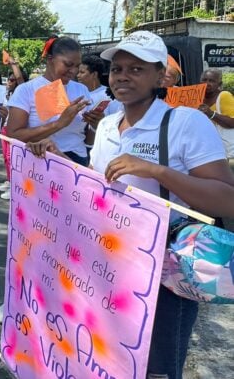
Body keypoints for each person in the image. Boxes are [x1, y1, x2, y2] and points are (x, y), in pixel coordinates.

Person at [28, 31, 234, 379]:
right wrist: (59, 157)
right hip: (109, 264)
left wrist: (157, 171)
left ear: (159, 75)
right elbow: (98, 184)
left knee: (157, 367)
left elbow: (226, 198)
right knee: (110, 360)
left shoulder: (185, 123)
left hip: (164, 272)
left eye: (136, 69)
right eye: (117, 68)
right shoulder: (108, 124)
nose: (122, 76)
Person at [6, 36, 92, 166]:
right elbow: (13, 135)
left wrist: (96, 124)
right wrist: (59, 123)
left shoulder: (81, 90)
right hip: (39, 162)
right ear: (50, 59)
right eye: (68, 65)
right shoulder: (26, 90)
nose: (73, 71)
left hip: (77, 161)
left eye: (77, 66)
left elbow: (87, 135)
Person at [0, 58, 27, 200]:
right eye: (9, 80)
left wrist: (14, 64)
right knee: (7, 159)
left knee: (13, 158)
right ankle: (10, 181)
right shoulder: (7, 93)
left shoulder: (22, 92)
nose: (9, 82)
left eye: (12, 80)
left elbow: (20, 79)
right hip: (4, 129)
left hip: (14, 131)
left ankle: (16, 186)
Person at [198, 68, 234, 161]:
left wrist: (211, 114)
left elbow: (232, 122)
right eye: (204, 80)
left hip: (224, 154)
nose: (207, 83)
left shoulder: (224, 96)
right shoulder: (196, 97)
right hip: (204, 152)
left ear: (219, 84)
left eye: (212, 81)